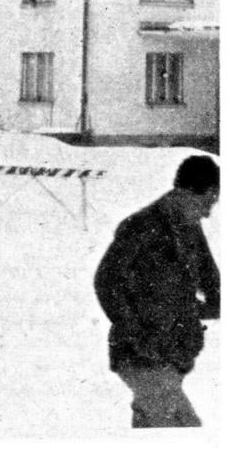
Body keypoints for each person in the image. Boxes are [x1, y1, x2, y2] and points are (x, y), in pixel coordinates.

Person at [94, 155, 220, 428]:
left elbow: (212, 281)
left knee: (158, 427)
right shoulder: (142, 225)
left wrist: (209, 305)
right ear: (184, 193)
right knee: (179, 430)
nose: (208, 212)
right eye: (207, 201)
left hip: (173, 354)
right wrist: (135, 331)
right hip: (141, 354)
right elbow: (107, 280)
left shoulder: (189, 229)